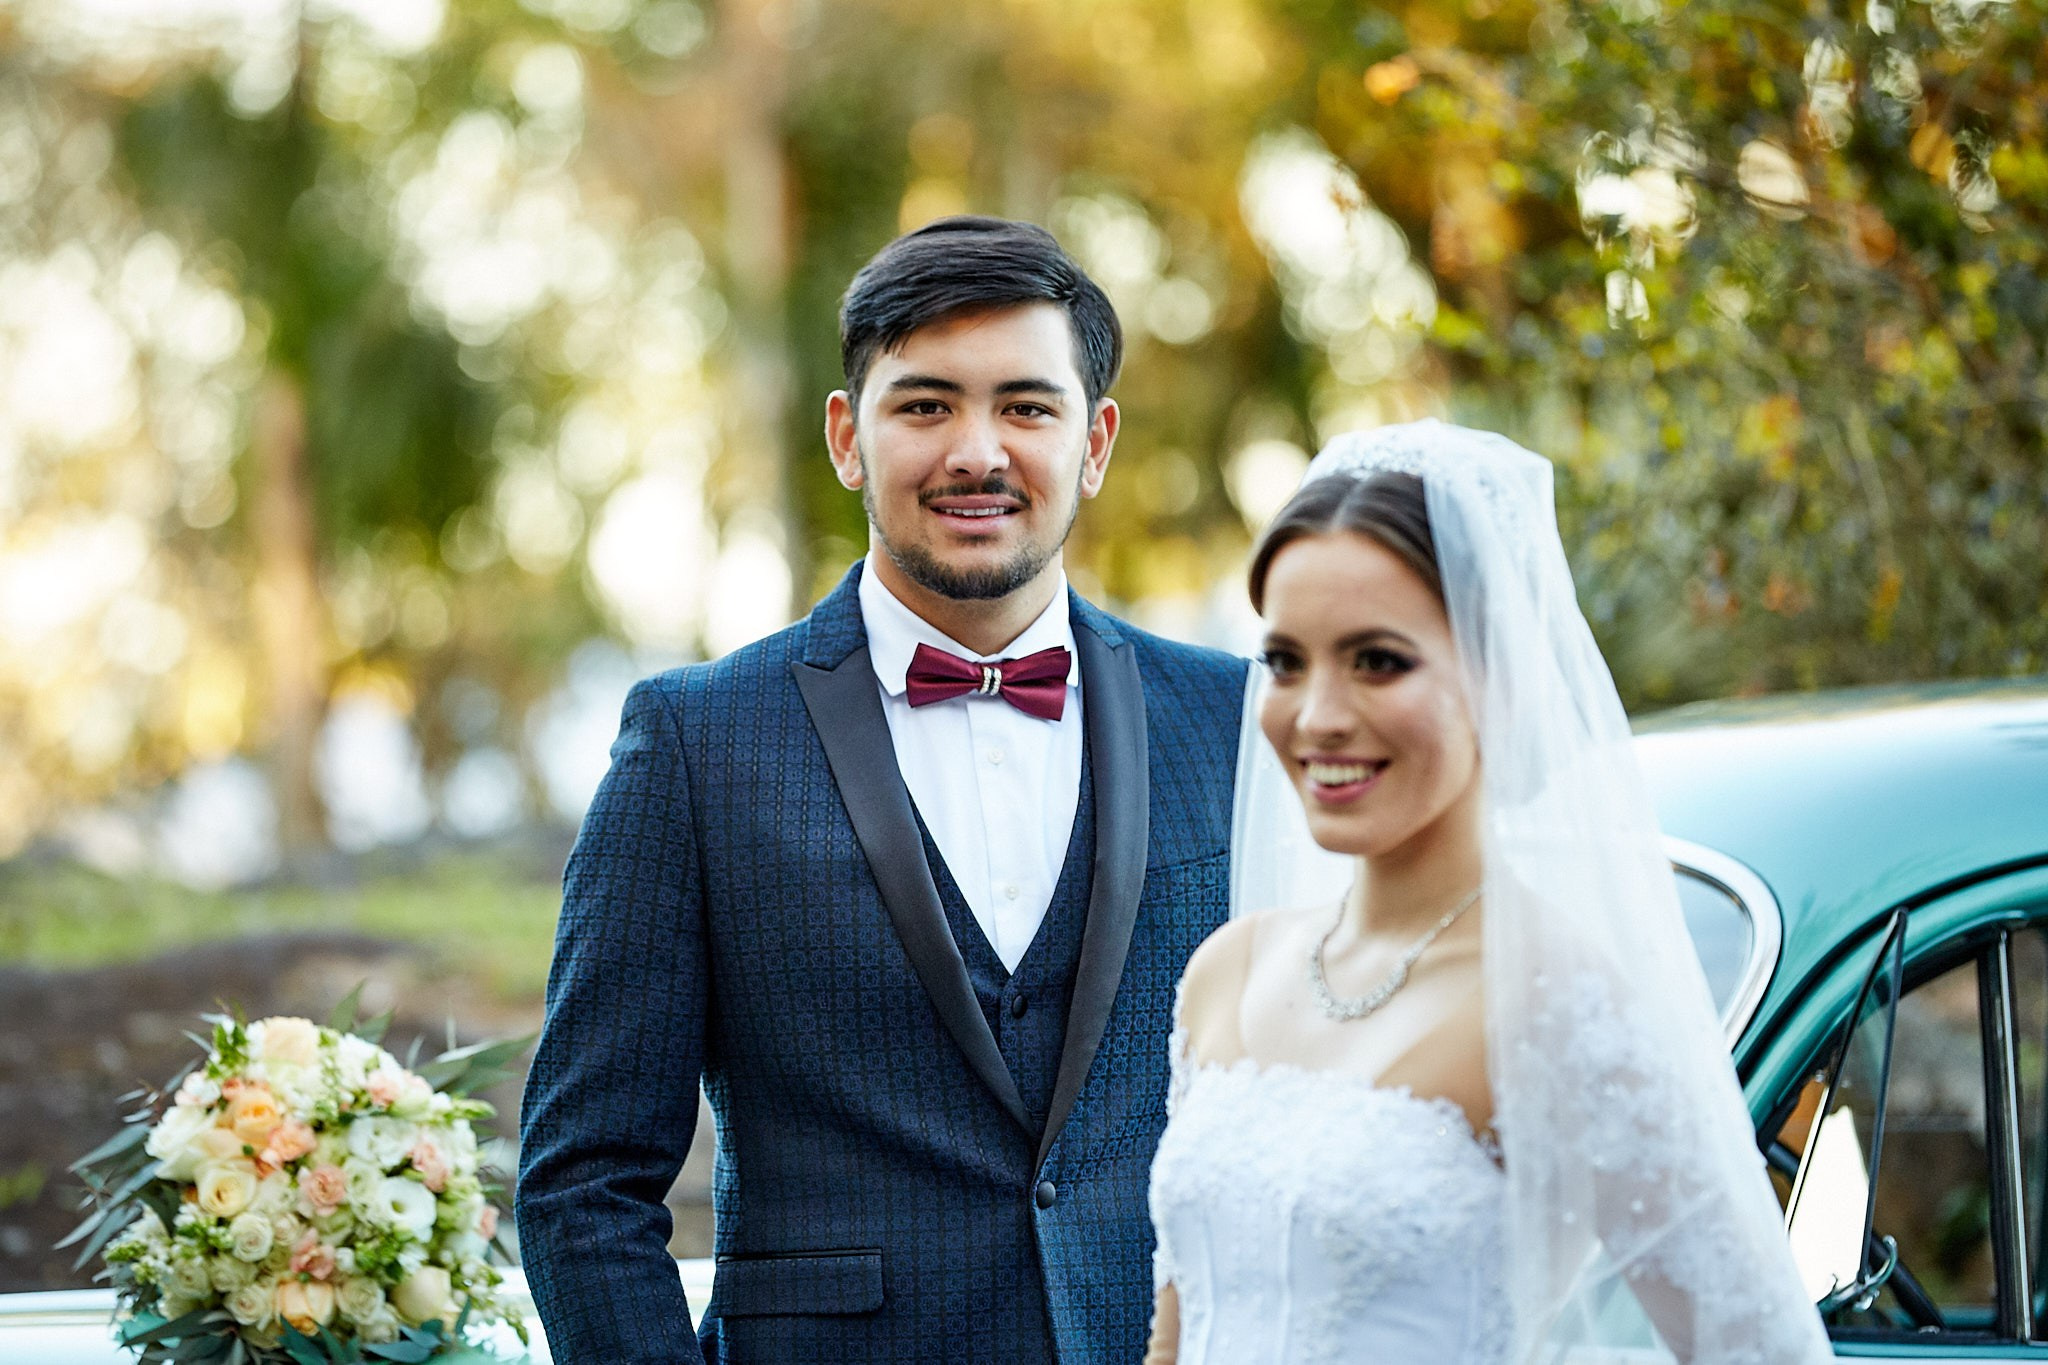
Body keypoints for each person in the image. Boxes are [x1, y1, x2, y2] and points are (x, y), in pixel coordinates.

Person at [517, 216, 1312, 1365]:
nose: (977, 453)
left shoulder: (1233, 720)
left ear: (1094, 443)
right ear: (848, 435)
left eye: (1026, 408)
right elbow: (583, 1180)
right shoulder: (693, 742)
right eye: (925, 404)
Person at [1146, 421, 1831, 1363]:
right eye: (1286, 661)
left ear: (1501, 679)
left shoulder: (1563, 1002)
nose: (1318, 715)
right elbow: (1175, 1342)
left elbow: (1764, 1350)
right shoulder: (1227, 972)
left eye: (1378, 660)